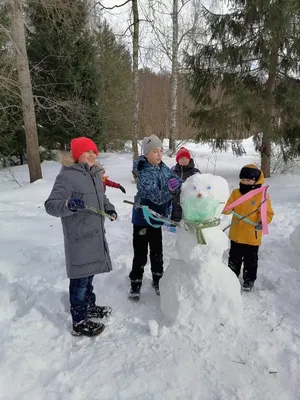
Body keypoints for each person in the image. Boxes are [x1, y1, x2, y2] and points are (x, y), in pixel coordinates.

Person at [44, 137, 117, 337]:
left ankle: (89, 306)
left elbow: (101, 197)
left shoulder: (94, 174)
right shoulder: (67, 176)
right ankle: (79, 321)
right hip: (78, 238)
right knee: (79, 280)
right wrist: (68, 205)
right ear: (76, 154)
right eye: (87, 151)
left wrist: (109, 208)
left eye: (94, 151)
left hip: (94, 236)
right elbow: (51, 205)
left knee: (89, 275)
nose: (92, 154)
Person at [128, 134, 181, 300]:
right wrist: (171, 191)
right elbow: (156, 196)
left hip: (157, 218)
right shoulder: (144, 171)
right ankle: (135, 283)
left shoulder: (162, 167)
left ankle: (158, 280)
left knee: (157, 251)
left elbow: (176, 180)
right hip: (143, 219)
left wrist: (177, 184)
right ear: (146, 154)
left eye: (160, 151)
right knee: (141, 253)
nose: (159, 154)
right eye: (155, 151)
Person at [222, 164, 274, 291]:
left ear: (255, 181)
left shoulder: (262, 196)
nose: (245, 182)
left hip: (252, 236)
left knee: (251, 261)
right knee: (234, 258)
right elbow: (228, 207)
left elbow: (268, 213)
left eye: (249, 180)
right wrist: (226, 210)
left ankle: (249, 280)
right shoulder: (235, 193)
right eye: (243, 180)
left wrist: (263, 221)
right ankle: (231, 278)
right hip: (236, 235)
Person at [171, 147, 200, 223]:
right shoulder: (173, 172)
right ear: (177, 160)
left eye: (186, 158)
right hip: (176, 201)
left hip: (191, 202)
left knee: (189, 220)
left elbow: (200, 186)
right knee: (177, 219)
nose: (184, 160)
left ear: (189, 159)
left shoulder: (195, 172)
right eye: (182, 158)